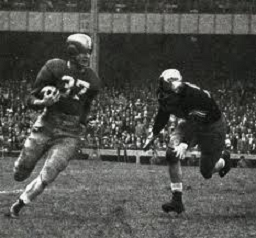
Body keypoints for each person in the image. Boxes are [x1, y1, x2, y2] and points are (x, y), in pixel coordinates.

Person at [6, 33, 101, 218]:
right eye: (82, 52)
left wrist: (85, 121)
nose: (87, 56)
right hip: (47, 123)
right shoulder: (54, 67)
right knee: (20, 172)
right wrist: (43, 103)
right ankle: (22, 181)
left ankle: (20, 204)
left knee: (51, 171)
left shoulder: (93, 80)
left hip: (70, 133)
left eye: (89, 52)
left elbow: (86, 106)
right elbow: (29, 98)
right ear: (72, 51)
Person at [143, 69, 231, 214]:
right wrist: (154, 133)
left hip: (212, 127)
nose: (162, 89)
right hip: (190, 122)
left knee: (206, 172)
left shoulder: (193, 95)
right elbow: (164, 112)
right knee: (171, 154)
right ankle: (177, 200)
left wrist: (184, 143)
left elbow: (196, 121)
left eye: (165, 84)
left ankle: (224, 160)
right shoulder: (167, 94)